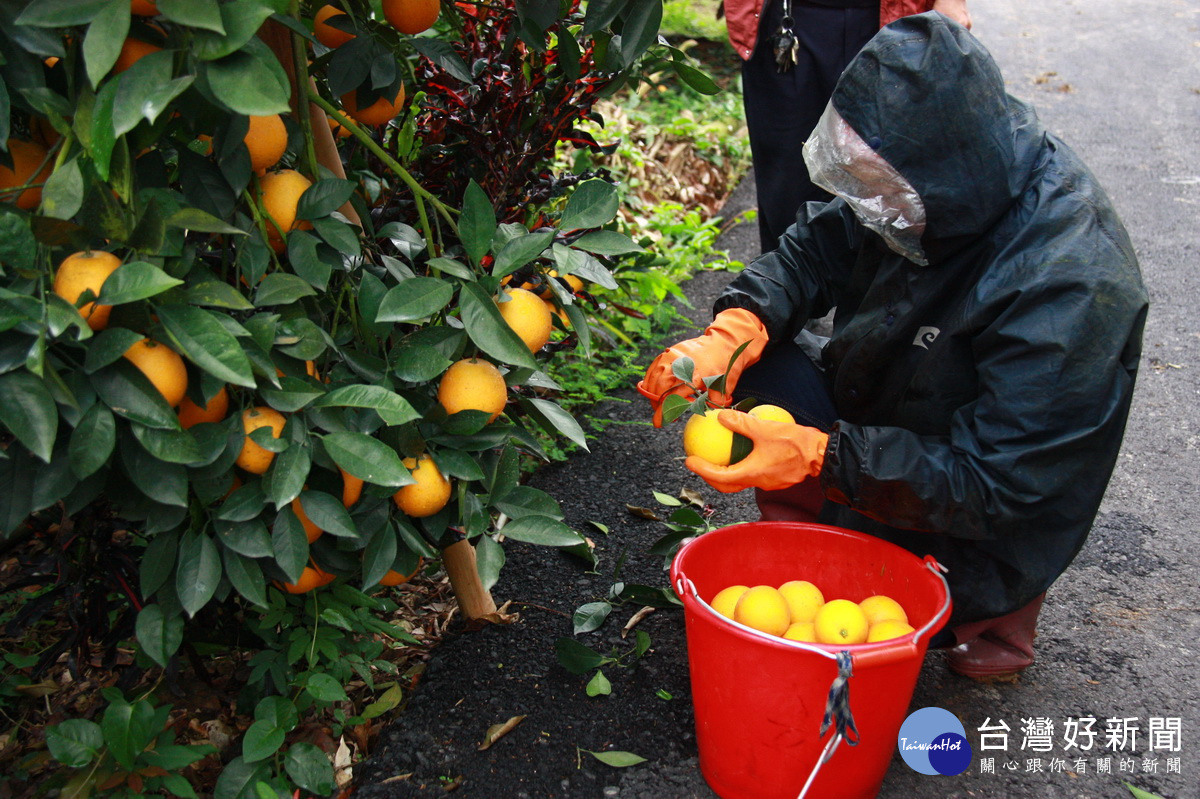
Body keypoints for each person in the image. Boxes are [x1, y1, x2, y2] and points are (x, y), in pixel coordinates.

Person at [640, 13, 1149, 680]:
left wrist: (823, 456)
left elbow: (997, 481)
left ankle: (994, 612)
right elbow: (815, 246)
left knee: (950, 576)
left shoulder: (1069, 281)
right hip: (895, 393)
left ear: (945, 174)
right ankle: (826, 543)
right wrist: (736, 330)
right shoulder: (926, 170)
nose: (869, 205)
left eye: (881, 190)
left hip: (984, 490)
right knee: (771, 369)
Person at [725, 0, 971, 253]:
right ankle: (791, 289)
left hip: (893, 19)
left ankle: (884, 288)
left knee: (894, 190)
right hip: (789, 23)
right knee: (787, 197)